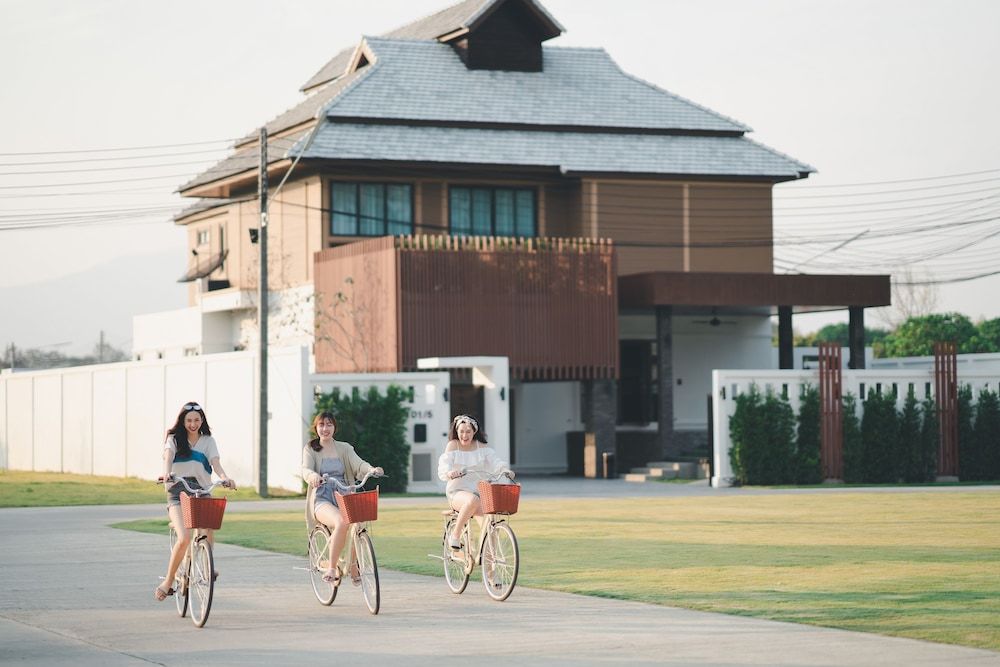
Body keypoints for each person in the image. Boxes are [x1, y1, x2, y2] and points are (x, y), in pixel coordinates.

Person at [155, 401, 235, 602]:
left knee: (208, 527)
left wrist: (225, 477)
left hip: (201, 489)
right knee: (184, 538)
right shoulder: (174, 439)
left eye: (196, 420)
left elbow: (216, 463)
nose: (193, 424)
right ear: (182, 421)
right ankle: (168, 580)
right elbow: (168, 456)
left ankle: (207, 564)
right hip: (177, 490)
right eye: (189, 420)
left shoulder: (208, 441)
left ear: (202, 421)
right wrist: (166, 474)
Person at [301, 411, 383, 586]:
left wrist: (371, 469)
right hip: (322, 498)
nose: (325, 428)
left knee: (357, 524)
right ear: (316, 427)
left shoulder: (344, 448)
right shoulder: (311, 448)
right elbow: (305, 469)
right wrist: (313, 476)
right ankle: (331, 567)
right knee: (341, 521)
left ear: (334, 427)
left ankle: (353, 566)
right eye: (322, 425)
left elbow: (358, 463)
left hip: (344, 495)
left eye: (329, 424)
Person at [437, 414, 514, 550]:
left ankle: (490, 568)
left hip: (479, 493)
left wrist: (505, 470)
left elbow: (495, 462)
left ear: (474, 432)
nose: (464, 435)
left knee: (490, 531)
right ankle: (455, 535)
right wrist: (450, 473)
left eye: (468, 432)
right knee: (472, 500)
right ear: (457, 431)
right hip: (457, 492)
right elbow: (445, 466)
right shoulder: (453, 445)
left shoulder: (482, 447)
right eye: (461, 431)